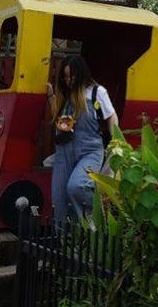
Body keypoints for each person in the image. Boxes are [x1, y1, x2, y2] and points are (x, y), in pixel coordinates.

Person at [47, 55, 118, 226]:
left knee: (78, 186)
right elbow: (60, 119)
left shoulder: (96, 92)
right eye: (65, 77)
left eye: (71, 76)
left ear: (80, 74)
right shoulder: (66, 94)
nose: (68, 80)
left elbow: (111, 116)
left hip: (89, 151)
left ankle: (99, 216)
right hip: (64, 152)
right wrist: (51, 97)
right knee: (60, 204)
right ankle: (68, 243)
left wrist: (117, 141)